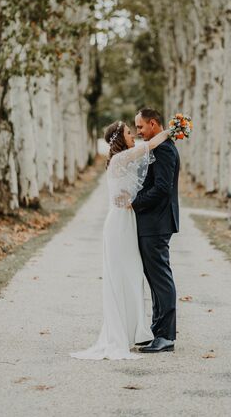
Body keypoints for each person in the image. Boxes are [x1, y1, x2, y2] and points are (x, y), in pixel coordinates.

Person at [71, 119, 171, 360]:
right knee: (120, 277)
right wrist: (173, 129)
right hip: (118, 224)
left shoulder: (126, 158)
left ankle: (134, 331)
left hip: (129, 221)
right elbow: (152, 144)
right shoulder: (119, 159)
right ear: (119, 138)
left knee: (133, 275)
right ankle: (118, 335)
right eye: (129, 132)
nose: (133, 135)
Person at [133, 108, 180, 353]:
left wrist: (134, 202)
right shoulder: (157, 146)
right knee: (154, 279)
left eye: (140, 127)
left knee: (161, 278)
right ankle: (158, 329)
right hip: (152, 222)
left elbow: (162, 188)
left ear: (153, 123)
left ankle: (166, 336)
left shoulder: (163, 149)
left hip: (156, 223)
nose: (138, 132)